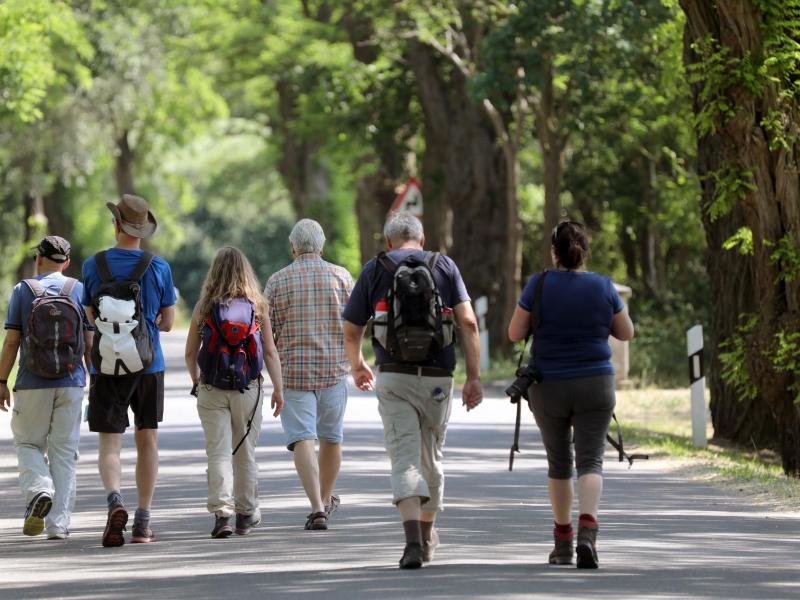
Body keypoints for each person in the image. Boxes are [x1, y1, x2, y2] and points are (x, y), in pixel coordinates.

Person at [342, 211, 483, 569]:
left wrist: (358, 364)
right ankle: (428, 533)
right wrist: (475, 377)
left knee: (404, 456)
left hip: (393, 376)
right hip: (438, 377)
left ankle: (413, 544)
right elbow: (467, 321)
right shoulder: (444, 265)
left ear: (388, 242)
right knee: (431, 457)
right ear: (421, 239)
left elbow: (352, 326)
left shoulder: (377, 268)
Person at [507, 220, 635, 569]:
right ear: (584, 252)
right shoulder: (603, 287)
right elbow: (626, 333)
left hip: (549, 385)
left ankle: (562, 544)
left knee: (559, 462)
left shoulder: (539, 284)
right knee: (591, 460)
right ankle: (588, 534)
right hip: (596, 383)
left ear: (554, 252)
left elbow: (515, 332)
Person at [82, 194, 177, 547]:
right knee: (147, 439)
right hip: (149, 363)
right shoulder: (159, 267)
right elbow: (168, 322)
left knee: (110, 443)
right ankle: (143, 521)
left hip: (107, 364)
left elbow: (90, 315)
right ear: (142, 229)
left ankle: (114, 501)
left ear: (117, 224)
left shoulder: (94, 265)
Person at [185, 246, 284, 538]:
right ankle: (245, 514)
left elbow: (191, 352)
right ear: (246, 271)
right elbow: (269, 350)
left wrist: (197, 382)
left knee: (218, 452)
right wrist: (279, 388)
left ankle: (222, 517)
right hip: (248, 389)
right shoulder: (257, 304)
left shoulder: (205, 305)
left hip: (212, 388)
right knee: (245, 452)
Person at [0, 236, 93, 540]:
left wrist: (2, 381)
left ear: (39, 258)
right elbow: (89, 343)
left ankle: (40, 489)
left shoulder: (23, 291)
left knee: (28, 444)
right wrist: (93, 380)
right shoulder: (78, 290)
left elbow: (12, 342)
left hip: (31, 382)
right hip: (72, 382)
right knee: (64, 453)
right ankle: (58, 524)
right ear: (66, 263)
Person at [264, 219, 354, 531]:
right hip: (334, 370)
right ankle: (325, 500)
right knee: (332, 438)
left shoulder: (277, 281)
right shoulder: (341, 277)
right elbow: (355, 324)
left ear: (293, 247)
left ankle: (316, 506)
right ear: (322, 245)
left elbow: (268, 331)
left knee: (302, 437)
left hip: (294, 373)